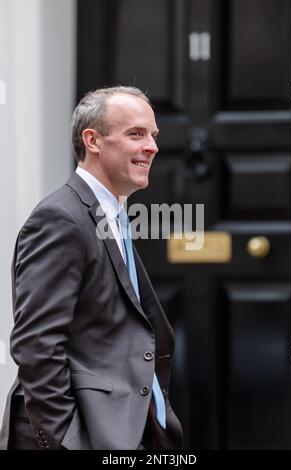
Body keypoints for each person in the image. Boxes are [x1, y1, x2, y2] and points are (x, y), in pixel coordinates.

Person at [0, 86, 183, 450]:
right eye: (136, 134)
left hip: (126, 429)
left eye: (153, 135)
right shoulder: (60, 218)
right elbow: (38, 344)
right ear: (92, 140)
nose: (152, 147)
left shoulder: (111, 214)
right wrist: (68, 441)